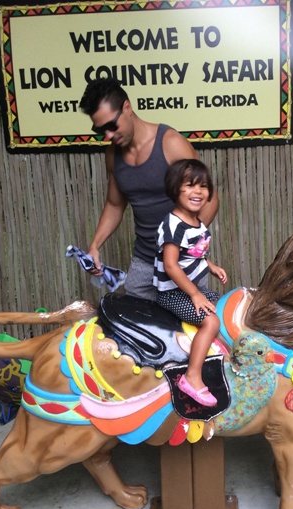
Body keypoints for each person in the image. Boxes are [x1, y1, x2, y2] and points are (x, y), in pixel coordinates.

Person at [79, 78, 219, 301]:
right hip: (143, 261)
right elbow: (114, 205)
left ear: (127, 107)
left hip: (182, 261)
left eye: (111, 126)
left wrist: (181, 244)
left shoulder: (171, 144)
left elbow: (210, 200)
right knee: (134, 320)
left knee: (188, 322)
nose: (108, 136)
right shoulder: (113, 155)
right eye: (100, 130)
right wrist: (95, 245)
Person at [153, 159, 227, 407]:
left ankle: (214, 364)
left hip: (189, 289)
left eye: (203, 186)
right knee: (211, 321)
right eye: (190, 185)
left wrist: (210, 265)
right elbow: (171, 265)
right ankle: (191, 376)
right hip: (173, 293)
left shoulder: (197, 222)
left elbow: (195, 253)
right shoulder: (173, 224)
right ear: (175, 188)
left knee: (224, 306)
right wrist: (195, 294)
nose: (198, 191)